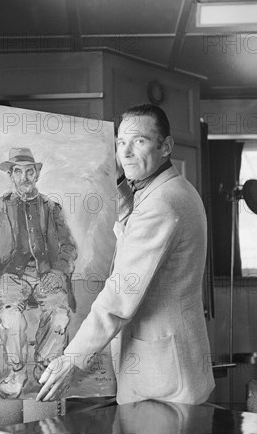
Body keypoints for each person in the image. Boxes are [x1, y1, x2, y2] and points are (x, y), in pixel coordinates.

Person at [37, 104, 215, 404]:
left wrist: (73, 359)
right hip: (167, 369)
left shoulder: (162, 204)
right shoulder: (169, 189)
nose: (127, 152)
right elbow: (132, 220)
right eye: (121, 142)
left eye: (140, 141)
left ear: (166, 146)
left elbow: (120, 295)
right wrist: (120, 180)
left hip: (163, 379)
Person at [0, 147, 77, 399]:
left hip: (46, 275)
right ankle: (17, 372)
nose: (24, 177)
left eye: (29, 171)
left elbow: (68, 246)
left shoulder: (51, 208)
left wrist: (60, 271)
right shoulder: (0, 205)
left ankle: (45, 366)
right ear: (11, 175)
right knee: (10, 318)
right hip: (10, 276)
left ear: (37, 174)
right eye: (18, 172)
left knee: (60, 315)